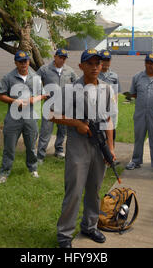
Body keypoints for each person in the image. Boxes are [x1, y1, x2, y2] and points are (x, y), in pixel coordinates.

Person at [50, 49, 115, 248]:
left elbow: (109, 119)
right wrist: (76, 123)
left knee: (94, 189)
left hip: (100, 144)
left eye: (98, 63)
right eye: (90, 63)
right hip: (79, 144)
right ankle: (65, 234)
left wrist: (110, 148)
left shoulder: (106, 88)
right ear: (81, 66)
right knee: (75, 190)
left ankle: (90, 225)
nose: (95, 67)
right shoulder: (70, 89)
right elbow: (52, 114)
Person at [0, 50, 46, 184]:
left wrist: (33, 99)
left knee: (31, 145)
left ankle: (32, 168)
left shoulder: (35, 77)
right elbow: (0, 95)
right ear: (16, 62)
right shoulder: (8, 77)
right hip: (13, 117)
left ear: (29, 62)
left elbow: (43, 94)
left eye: (25, 61)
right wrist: (14, 101)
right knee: (9, 146)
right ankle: (5, 172)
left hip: (30, 116)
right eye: (20, 61)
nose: (23, 64)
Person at [126, 52, 153, 175]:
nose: (150, 66)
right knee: (138, 137)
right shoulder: (137, 77)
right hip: (140, 114)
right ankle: (136, 161)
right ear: (145, 63)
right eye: (148, 63)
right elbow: (133, 93)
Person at [36, 48, 77, 163]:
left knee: (62, 130)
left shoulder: (69, 70)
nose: (62, 60)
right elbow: (35, 81)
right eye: (60, 57)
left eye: (64, 58)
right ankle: (40, 155)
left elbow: (77, 83)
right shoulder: (44, 69)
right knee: (45, 131)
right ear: (55, 57)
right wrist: (42, 92)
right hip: (50, 105)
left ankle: (59, 150)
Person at [98, 49, 120, 146]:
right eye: (104, 60)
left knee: (111, 134)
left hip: (110, 110)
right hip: (97, 110)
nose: (106, 62)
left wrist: (115, 108)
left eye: (108, 60)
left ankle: (111, 157)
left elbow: (116, 94)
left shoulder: (114, 76)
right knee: (99, 135)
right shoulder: (95, 74)